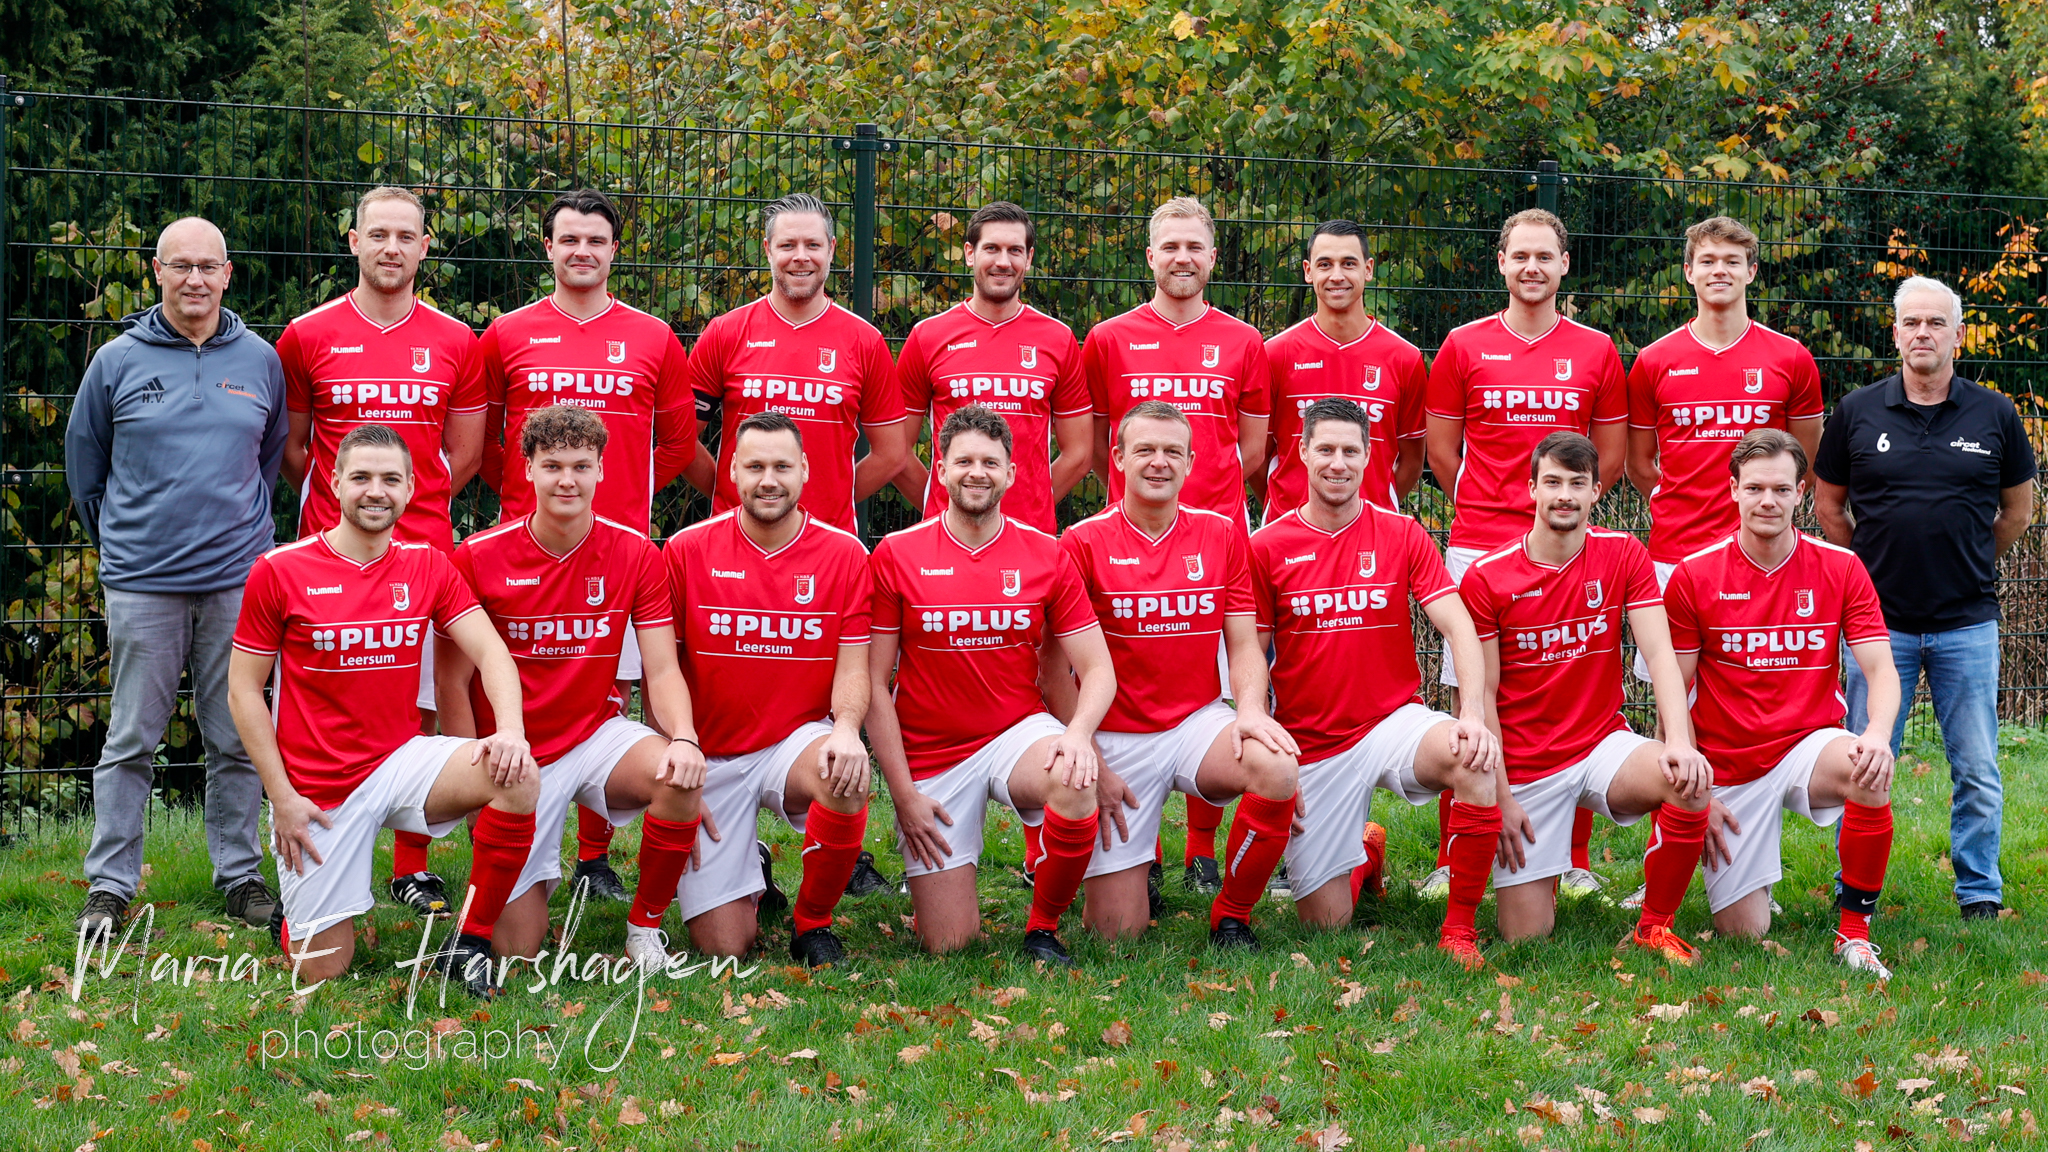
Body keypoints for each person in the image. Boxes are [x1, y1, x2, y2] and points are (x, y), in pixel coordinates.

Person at [226, 425, 538, 996]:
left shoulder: (427, 565)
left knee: (516, 776)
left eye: (391, 479)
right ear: (335, 482)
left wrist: (512, 732)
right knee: (324, 969)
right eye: (362, 477)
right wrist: (283, 799)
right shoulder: (280, 570)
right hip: (317, 790)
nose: (376, 491)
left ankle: (468, 943)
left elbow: (492, 652)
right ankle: (295, 917)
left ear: (411, 488)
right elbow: (243, 692)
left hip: (400, 762)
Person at [65, 216, 288, 939]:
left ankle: (241, 877)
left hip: (237, 583)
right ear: (156, 271)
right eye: (180, 265)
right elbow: (86, 472)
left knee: (237, 736)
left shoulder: (260, 360)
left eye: (208, 266)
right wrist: (133, 545)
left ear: (228, 274)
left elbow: (266, 461)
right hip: (143, 584)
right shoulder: (116, 362)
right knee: (131, 739)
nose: (195, 279)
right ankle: (110, 886)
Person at [477, 188, 699, 901]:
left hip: (616, 550)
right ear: (547, 248)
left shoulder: (653, 337)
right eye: (569, 239)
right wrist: (535, 500)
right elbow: (487, 443)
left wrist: (619, 491)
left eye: (596, 240)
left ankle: (594, 857)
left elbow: (678, 444)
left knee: (612, 695)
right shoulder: (505, 333)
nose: (582, 251)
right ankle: (518, 822)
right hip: (527, 552)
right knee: (529, 688)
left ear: (613, 251)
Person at [277, 185, 488, 920]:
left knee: (419, 705)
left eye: (406, 236)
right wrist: (348, 517)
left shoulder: (456, 340)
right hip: (327, 558)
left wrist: (402, 514)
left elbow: (464, 454)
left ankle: (411, 867)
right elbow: (296, 451)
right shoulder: (306, 335)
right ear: (354, 242)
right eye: (378, 234)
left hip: (423, 554)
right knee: (322, 706)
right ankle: (316, 846)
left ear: (425, 247)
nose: (391, 247)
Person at [436, 405, 708, 973]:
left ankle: (644, 932)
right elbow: (452, 681)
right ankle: (508, 889)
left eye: (581, 466)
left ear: (601, 470)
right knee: (516, 946)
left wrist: (684, 737)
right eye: (553, 465)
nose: (567, 480)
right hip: (513, 755)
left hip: (594, 735)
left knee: (677, 774)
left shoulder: (635, 552)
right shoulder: (478, 556)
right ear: (528, 469)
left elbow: (662, 670)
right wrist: (469, 777)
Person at [1251, 399, 1504, 968]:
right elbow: (1250, 652)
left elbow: (1458, 625)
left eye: (1350, 450)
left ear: (1370, 457)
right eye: (1325, 449)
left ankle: (1458, 932)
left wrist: (1471, 715)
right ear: (1302, 453)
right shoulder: (1267, 545)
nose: (1337, 463)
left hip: (1393, 720)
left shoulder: (1402, 533)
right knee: (1324, 924)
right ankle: (1365, 853)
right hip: (1314, 743)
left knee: (1473, 759)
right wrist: (1265, 738)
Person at [1814, 275, 2036, 921]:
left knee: (1978, 768)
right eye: (1911, 322)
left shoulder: (1995, 414)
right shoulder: (1858, 411)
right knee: (1864, 760)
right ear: (1895, 333)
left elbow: (2018, 513)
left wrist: (1969, 561)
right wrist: (1864, 576)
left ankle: (1979, 892)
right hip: (1877, 626)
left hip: (1968, 621)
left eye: (1936, 323)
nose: (1923, 333)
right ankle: (1855, 890)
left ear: (1958, 336)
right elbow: (1828, 507)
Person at [1420, 208, 1626, 901]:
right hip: (1481, 546)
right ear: (1502, 263)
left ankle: (1572, 860)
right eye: (1520, 256)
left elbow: (1610, 457)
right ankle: (1456, 854)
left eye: (1545, 256)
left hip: (1567, 551)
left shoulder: (1596, 349)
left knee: (1572, 693)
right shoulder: (1463, 345)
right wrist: (1499, 513)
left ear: (1564, 264)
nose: (1532, 267)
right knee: (1469, 701)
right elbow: (1442, 453)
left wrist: (1559, 518)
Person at [868, 405, 1115, 966]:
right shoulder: (896, 554)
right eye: (963, 462)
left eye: (990, 462)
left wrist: (1078, 736)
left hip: (1015, 733)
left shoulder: (1046, 553)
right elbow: (875, 685)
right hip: (932, 752)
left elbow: (1098, 668)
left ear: (1011, 474)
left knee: (1073, 777)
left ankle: (1043, 928)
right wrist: (904, 797)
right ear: (940, 471)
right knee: (947, 945)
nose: (976, 472)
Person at [1458, 432, 1712, 964]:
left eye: (1577, 483)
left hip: (1601, 745)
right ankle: (1542, 872)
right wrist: (1502, 798)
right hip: (1526, 767)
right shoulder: (1486, 576)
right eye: (1552, 482)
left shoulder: (1623, 553)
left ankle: (1654, 926)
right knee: (1525, 938)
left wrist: (1680, 742)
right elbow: (1483, 694)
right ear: (1531, 488)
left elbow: (1660, 655)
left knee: (1688, 780)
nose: (1564, 495)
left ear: (1597, 490)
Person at [1056, 401, 1299, 950]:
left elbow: (1244, 643)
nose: (1159, 462)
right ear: (1118, 457)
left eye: (1172, 451)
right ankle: (1117, 872)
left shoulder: (1221, 533)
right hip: (1116, 737)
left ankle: (1232, 916)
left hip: (1196, 723)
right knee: (1114, 936)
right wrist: (1090, 754)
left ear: (1191, 462)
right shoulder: (1081, 542)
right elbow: (1055, 667)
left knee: (1277, 765)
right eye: (1144, 449)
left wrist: (1251, 710)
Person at [1081, 195, 1271, 891]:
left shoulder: (1244, 342)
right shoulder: (1108, 338)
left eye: (1195, 246)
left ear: (1212, 257)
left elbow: (1252, 448)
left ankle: (1200, 850)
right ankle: (1144, 853)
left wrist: (1196, 509)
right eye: (1170, 246)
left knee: (1211, 691)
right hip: (1129, 545)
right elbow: (1100, 442)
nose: (1182, 258)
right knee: (1133, 687)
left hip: (1215, 542)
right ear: (1151, 256)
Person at [1665, 429, 1901, 978]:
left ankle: (1854, 935)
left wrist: (1877, 734)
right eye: (1754, 488)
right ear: (1733, 490)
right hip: (1730, 763)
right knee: (1743, 933)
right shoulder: (1694, 573)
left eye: (1780, 489)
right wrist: (1695, 798)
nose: (1767, 500)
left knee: (1867, 770)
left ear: (1801, 491)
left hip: (1807, 744)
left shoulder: (1840, 566)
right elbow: (1674, 692)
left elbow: (1881, 670)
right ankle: (1750, 886)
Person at [665, 412, 876, 966]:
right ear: (732, 470)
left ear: (805, 469)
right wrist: (676, 773)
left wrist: (847, 729)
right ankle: (750, 866)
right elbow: (663, 672)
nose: (768, 480)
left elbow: (854, 668)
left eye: (782, 466)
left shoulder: (845, 554)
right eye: (755, 466)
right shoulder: (686, 550)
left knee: (844, 772)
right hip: (711, 758)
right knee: (724, 946)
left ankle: (813, 924)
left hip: (795, 744)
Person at [1623, 215, 1822, 678]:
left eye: (1732, 261)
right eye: (1708, 260)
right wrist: (1683, 501)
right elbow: (1639, 464)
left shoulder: (1791, 358)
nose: (1720, 271)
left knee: (1757, 681)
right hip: (1676, 554)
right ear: (1688, 271)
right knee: (1673, 690)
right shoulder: (1654, 361)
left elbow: (1806, 464)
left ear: (1751, 272)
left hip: (1762, 555)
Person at [685, 192, 910, 533]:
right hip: (737, 536)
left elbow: (892, 455)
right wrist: (731, 494)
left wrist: (833, 503)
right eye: (788, 245)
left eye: (813, 245)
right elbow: (681, 440)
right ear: (768, 250)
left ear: (831, 249)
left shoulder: (865, 341)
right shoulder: (725, 332)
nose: (801, 257)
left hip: (828, 539)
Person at [892, 201, 1093, 534]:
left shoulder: (1058, 339)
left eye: (1015, 250)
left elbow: (1080, 453)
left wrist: (1033, 505)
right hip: (948, 536)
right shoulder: (928, 337)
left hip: (1030, 535)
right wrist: (945, 504)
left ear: (1029, 258)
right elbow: (896, 452)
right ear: (970, 254)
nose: (1003, 262)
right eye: (992, 249)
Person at [1263, 219, 1426, 522]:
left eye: (1348, 263)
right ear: (1308, 271)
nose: (1336, 276)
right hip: (1289, 528)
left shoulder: (1404, 358)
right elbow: (1257, 455)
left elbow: (1412, 461)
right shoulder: (1275, 354)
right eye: (1325, 264)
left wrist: (1375, 503)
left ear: (1368, 269)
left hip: (1374, 531)